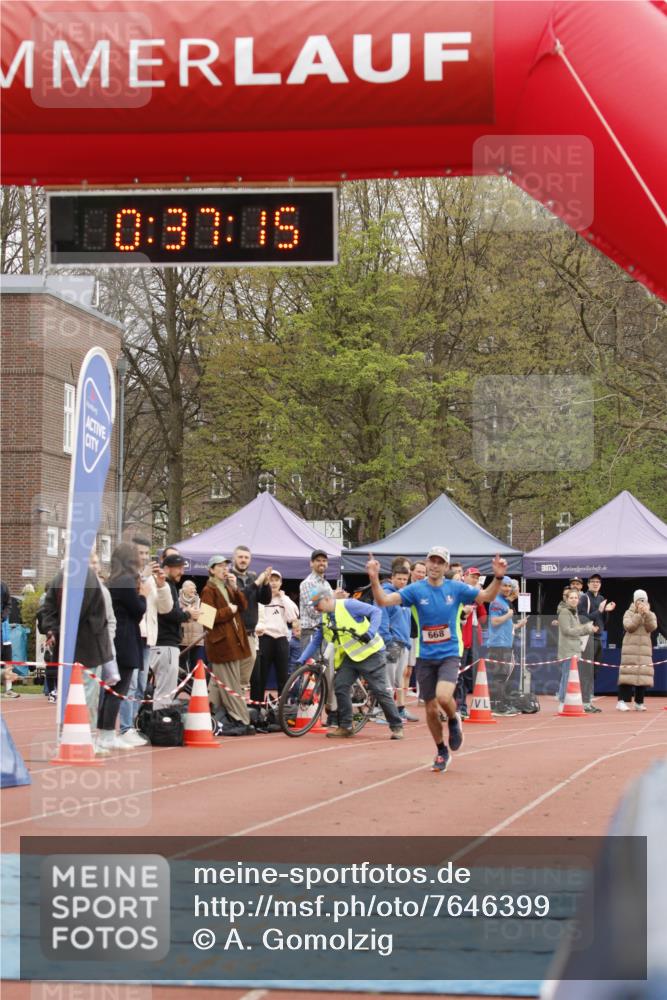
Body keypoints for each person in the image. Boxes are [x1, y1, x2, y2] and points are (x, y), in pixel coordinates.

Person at [368, 547, 509, 772]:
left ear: (445, 567)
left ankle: (454, 719)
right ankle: (441, 750)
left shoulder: (457, 588)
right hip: (425, 656)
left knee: (444, 697)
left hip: (450, 653)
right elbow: (384, 600)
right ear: (426, 563)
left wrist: (499, 577)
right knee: (431, 709)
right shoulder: (415, 590)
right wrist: (374, 579)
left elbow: (487, 597)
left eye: (439, 562)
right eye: (431, 561)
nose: (434, 566)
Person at [298, 585, 404, 740]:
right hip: (351, 657)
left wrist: (370, 632)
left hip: (371, 654)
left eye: (317, 605)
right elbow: (316, 641)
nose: (315, 609)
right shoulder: (326, 617)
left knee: (380, 691)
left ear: (327, 599)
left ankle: (397, 726)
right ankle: (346, 726)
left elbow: (376, 611)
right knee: (340, 686)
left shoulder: (349, 605)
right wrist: (301, 660)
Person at [40, 564, 114, 721]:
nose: (94, 566)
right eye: (91, 561)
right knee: (71, 697)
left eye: (95, 562)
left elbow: (101, 618)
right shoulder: (60, 579)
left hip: (89, 650)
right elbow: (48, 609)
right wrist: (52, 629)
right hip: (70, 650)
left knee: (87, 697)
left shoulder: (93, 583)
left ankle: (85, 737)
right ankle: (68, 737)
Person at [118, 537, 173, 740]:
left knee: (142, 685)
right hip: (130, 636)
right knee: (130, 684)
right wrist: (143, 577)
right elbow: (130, 601)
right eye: (139, 553)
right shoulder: (125, 576)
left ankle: (132, 725)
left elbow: (165, 608)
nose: (143, 557)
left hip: (147, 638)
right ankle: (125, 728)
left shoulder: (149, 579)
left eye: (146, 554)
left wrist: (162, 586)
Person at [98, 543, 148, 751]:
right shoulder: (127, 580)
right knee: (119, 690)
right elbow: (137, 610)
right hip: (125, 638)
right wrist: (143, 595)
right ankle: (107, 733)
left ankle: (105, 731)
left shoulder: (113, 580)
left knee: (111, 689)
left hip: (117, 637)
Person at [201, 554, 253, 733]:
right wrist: (227, 611)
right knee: (230, 684)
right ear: (211, 570)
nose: (225, 569)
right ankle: (241, 718)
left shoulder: (227, 587)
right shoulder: (208, 590)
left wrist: (236, 588)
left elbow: (244, 606)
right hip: (222, 645)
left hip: (234, 642)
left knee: (221, 683)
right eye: (220, 566)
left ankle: (211, 715)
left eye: (226, 566)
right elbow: (206, 619)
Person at [152, 553, 199, 709]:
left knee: (163, 690)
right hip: (166, 644)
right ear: (166, 568)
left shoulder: (168, 586)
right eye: (178, 568)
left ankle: (156, 724)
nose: (182, 572)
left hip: (163, 644)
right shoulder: (166, 586)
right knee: (165, 692)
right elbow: (168, 612)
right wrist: (188, 614)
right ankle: (160, 727)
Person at [374, 559, 417, 725]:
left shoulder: (405, 597)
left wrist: (406, 642)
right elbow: (381, 620)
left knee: (399, 682)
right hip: (391, 643)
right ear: (392, 578)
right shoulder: (385, 595)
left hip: (403, 643)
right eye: (399, 578)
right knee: (388, 682)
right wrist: (388, 640)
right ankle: (384, 713)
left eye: (405, 579)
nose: (402, 582)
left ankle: (397, 711)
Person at [252, 570, 300, 703]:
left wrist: (283, 598)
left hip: (281, 640)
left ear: (281, 582)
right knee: (259, 677)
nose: (273, 583)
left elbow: (292, 617)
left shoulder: (286, 599)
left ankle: (282, 709)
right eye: (271, 580)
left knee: (283, 678)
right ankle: (257, 709)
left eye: (276, 580)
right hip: (264, 638)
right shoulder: (260, 597)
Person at [230, 545, 272, 690]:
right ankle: (222, 708)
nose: (243, 560)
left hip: (249, 632)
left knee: (243, 680)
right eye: (240, 557)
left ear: (250, 560)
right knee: (229, 674)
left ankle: (237, 706)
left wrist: (266, 584)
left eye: (246, 558)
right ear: (234, 558)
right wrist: (257, 583)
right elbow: (238, 598)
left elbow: (265, 600)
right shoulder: (228, 576)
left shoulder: (253, 576)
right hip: (231, 632)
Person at [487, 577, 523, 715]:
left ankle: (500, 704)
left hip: (505, 643)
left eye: (509, 586)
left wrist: (516, 624)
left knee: (503, 675)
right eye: (504, 586)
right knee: (499, 676)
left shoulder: (503, 601)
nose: (508, 588)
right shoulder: (496, 602)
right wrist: (508, 615)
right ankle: (498, 706)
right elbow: (495, 621)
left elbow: (505, 625)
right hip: (498, 644)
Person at [455, 567, 487, 719]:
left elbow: (483, 618)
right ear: (465, 576)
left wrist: (478, 599)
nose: (475, 580)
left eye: (477, 578)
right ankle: (460, 706)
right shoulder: (460, 592)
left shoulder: (476, 594)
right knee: (459, 673)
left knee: (470, 673)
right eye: (472, 576)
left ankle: (465, 703)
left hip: (474, 635)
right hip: (461, 636)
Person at [557, 587, 597, 709]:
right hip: (568, 650)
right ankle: (562, 702)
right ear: (567, 599)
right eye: (571, 598)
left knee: (570, 677)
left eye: (576, 598)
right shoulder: (564, 612)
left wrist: (588, 628)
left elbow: (577, 628)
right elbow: (567, 630)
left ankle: (566, 701)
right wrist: (586, 628)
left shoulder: (574, 612)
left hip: (575, 649)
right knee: (566, 676)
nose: (574, 600)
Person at [617, 590, 657, 712]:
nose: (641, 602)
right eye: (639, 600)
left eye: (643, 600)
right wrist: (638, 615)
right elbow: (629, 627)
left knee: (643, 676)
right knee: (627, 676)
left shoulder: (651, 614)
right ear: (634, 601)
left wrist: (647, 614)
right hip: (630, 649)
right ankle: (622, 701)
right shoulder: (628, 613)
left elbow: (652, 627)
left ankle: (639, 702)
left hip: (644, 650)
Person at [578, 575, 616, 701]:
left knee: (594, 671)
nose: (595, 584)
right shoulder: (584, 598)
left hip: (599, 637)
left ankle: (588, 698)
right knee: (586, 671)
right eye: (593, 581)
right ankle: (584, 700)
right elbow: (582, 618)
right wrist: (599, 611)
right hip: (588, 637)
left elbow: (604, 622)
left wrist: (606, 611)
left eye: (598, 582)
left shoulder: (601, 598)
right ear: (588, 584)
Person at [179, 579, 206, 670]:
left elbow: (208, 618)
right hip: (182, 640)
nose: (193, 590)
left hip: (197, 640)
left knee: (198, 666)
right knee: (181, 668)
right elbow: (174, 616)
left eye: (194, 588)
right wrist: (186, 613)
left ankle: (195, 684)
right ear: (184, 589)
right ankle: (181, 684)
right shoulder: (177, 602)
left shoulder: (201, 602)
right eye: (191, 588)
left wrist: (201, 615)